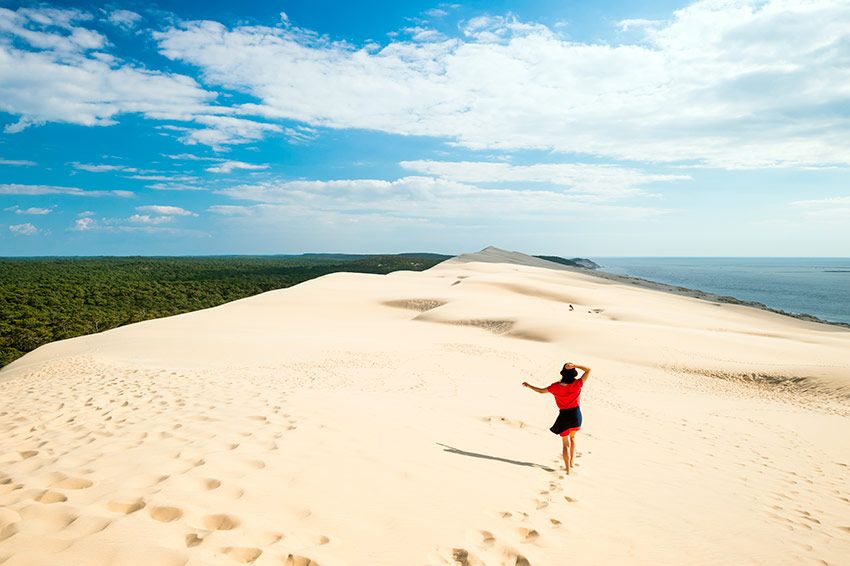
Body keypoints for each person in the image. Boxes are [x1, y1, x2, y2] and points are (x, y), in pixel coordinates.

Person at [522, 362, 591, 474]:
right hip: (576, 415)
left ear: (562, 374)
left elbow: (540, 391)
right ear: (574, 373)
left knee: (565, 444)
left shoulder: (555, 387)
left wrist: (529, 386)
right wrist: (575, 365)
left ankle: (568, 469)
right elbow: (588, 370)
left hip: (564, 416)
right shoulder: (577, 384)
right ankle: (572, 462)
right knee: (573, 438)